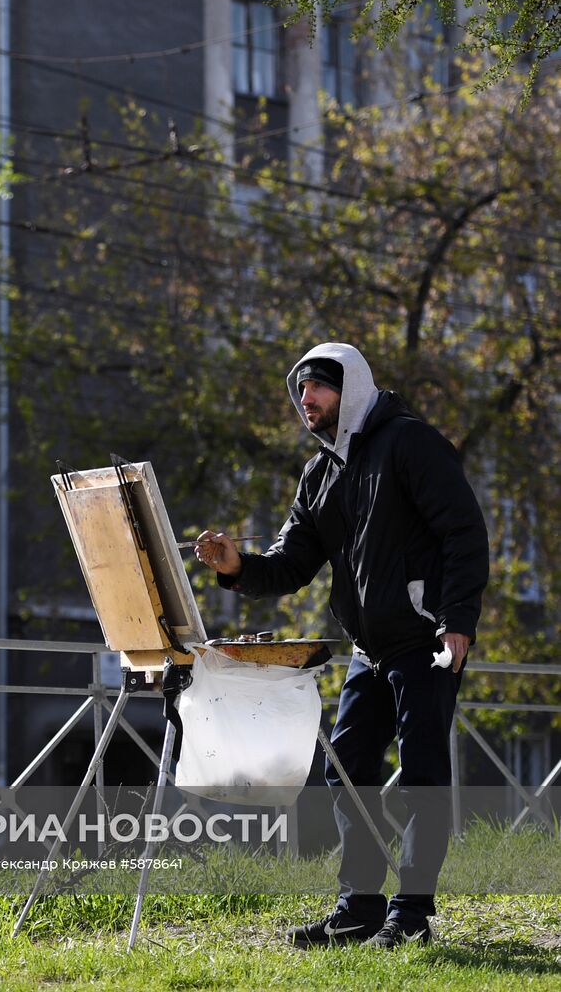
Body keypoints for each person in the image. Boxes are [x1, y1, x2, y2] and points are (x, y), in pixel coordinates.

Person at [195, 342, 489, 949]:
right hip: (368, 649)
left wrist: (457, 620)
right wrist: (236, 566)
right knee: (345, 772)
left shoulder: (410, 442)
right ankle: (358, 906)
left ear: (350, 387)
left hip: (426, 640)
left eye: (319, 388)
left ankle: (411, 913)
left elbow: (464, 530)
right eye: (300, 391)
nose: (306, 401)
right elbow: (290, 564)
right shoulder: (319, 473)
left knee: (422, 777)